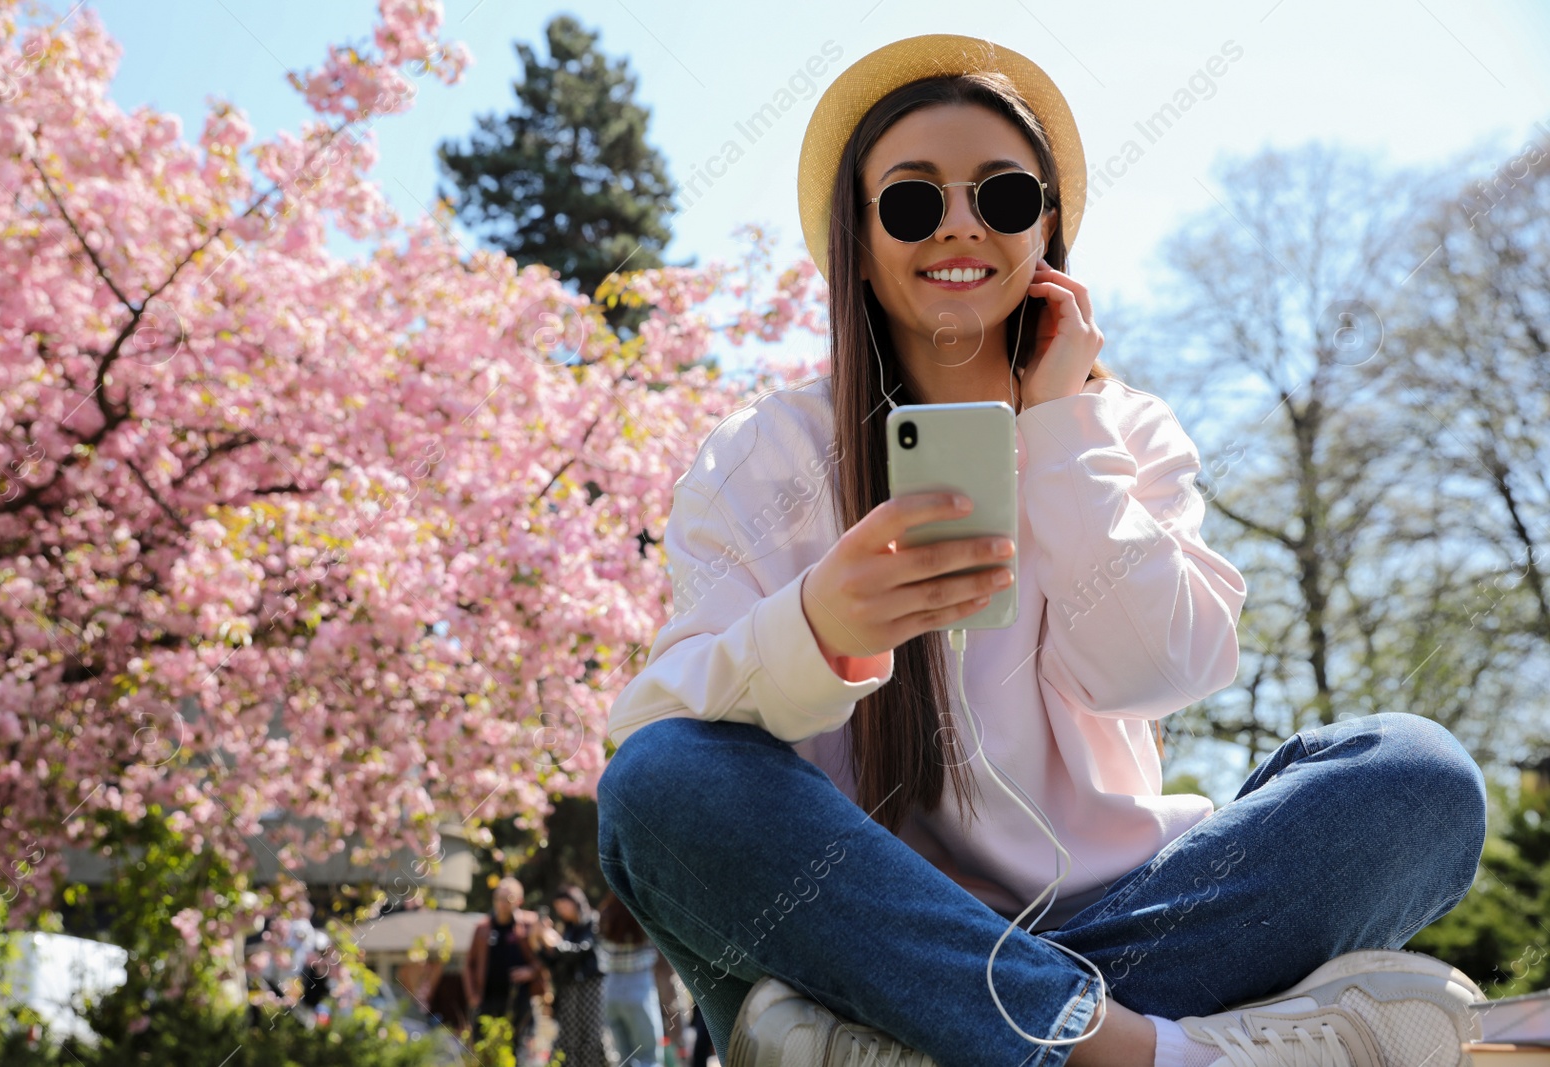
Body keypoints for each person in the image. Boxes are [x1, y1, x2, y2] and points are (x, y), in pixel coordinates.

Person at [595, 32, 1491, 1067]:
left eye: (1003, 196)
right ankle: (1152, 1052)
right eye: (913, 200)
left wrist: (1060, 432)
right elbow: (657, 748)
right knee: (660, 782)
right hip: (854, 932)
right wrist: (817, 629)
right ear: (859, 229)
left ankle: (937, 1043)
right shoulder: (765, 451)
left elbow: (1159, 667)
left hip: (1128, 914)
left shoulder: (1123, 431)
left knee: (1417, 775)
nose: (961, 225)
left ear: (1048, 229)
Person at [463, 876, 547, 1063]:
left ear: (519, 901)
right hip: (488, 1001)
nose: (502, 904)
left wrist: (531, 971)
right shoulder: (483, 928)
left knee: (520, 1052)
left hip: (520, 1002)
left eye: (508, 899)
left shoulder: (529, 924)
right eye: (498, 898)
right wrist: (473, 996)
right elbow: (469, 965)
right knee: (485, 1053)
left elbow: (546, 957)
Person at [534, 884, 606, 1067]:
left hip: (591, 989)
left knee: (592, 1038)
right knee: (568, 1039)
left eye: (564, 906)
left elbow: (581, 951)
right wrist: (539, 944)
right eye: (558, 908)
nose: (562, 911)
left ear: (576, 902)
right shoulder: (567, 929)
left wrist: (555, 942)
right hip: (569, 992)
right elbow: (557, 964)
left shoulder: (593, 921)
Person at [597, 890, 666, 1067]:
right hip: (638, 985)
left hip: (611, 987)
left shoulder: (605, 914)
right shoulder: (642, 912)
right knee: (648, 1055)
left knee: (624, 1058)